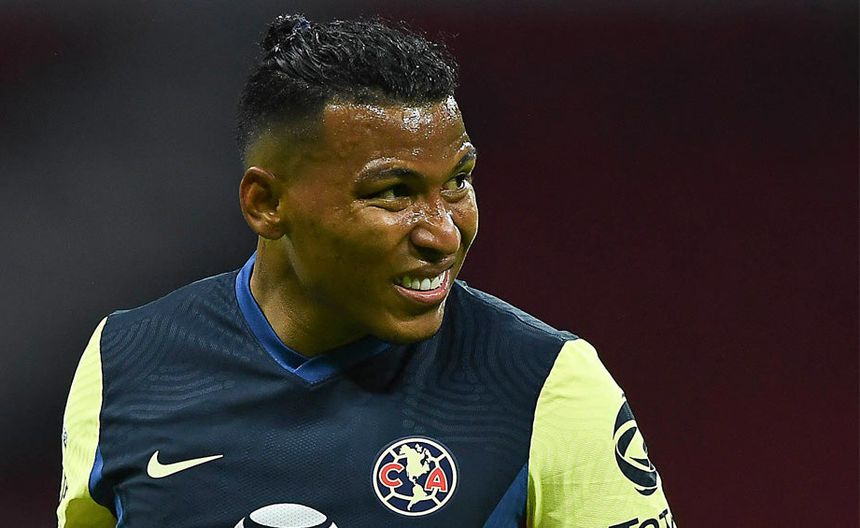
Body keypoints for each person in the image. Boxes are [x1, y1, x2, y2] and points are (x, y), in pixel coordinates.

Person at [58, 15, 676, 528]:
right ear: (267, 204)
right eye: (393, 192)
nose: (443, 233)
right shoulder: (125, 361)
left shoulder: (545, 382)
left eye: (458, 181)